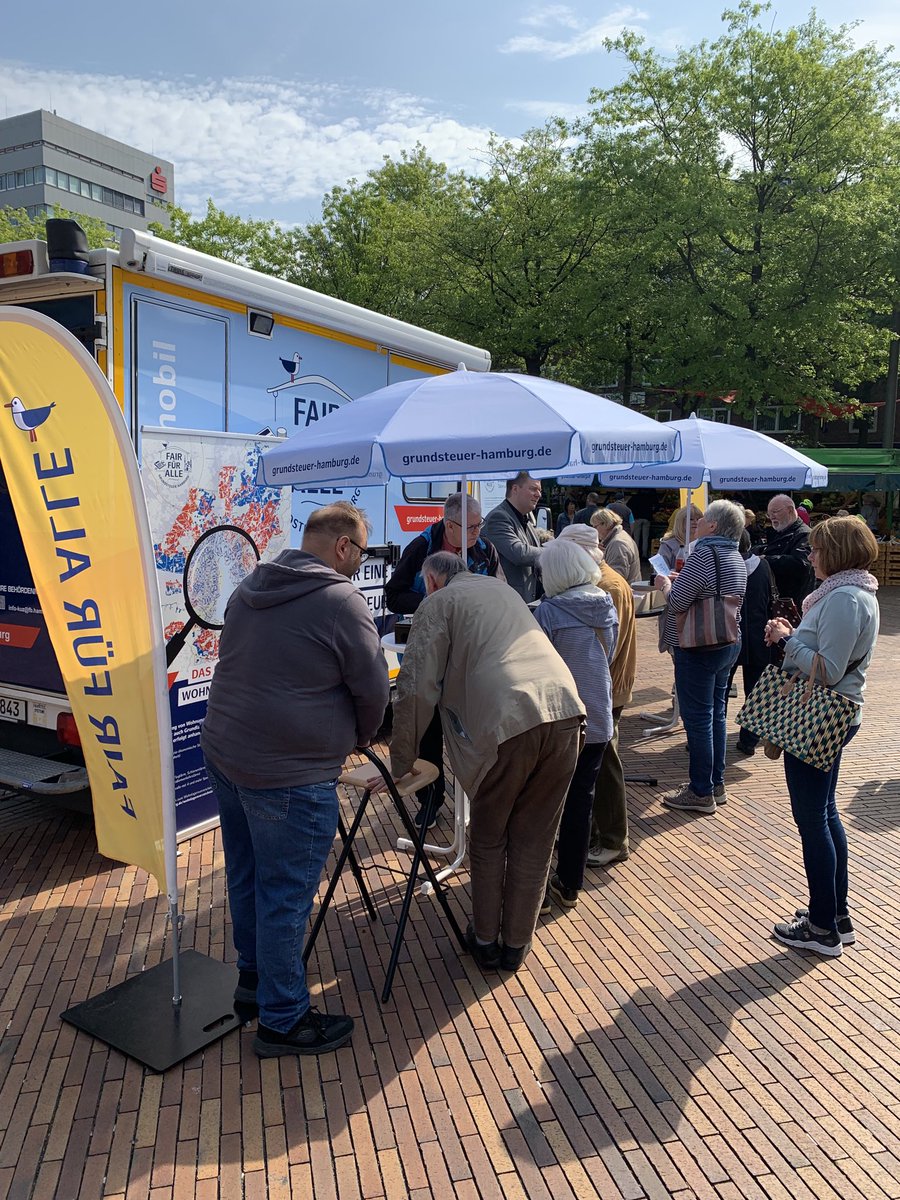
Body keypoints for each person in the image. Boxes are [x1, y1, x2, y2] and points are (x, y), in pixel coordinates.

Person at [201, 502, 389, 1057]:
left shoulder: (250, 586)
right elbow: (374, 689)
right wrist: (361, 736)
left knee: (248, 876)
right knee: (284, 896)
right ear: (342, 548)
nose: (359, 562)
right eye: (360, 551)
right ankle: (283, 1020)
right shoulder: (341, 598)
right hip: (288, 771)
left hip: (226, 751)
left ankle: (254, 983)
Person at [387, 552, 584, 972]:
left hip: (509, 721)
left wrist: (400, 762)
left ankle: (486, 940)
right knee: (534, 838)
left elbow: (416, 688)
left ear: (433, 581)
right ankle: (516, 944)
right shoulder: (501, 589)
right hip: (566, 709)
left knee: (489, 836)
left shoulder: (437, 603)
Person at [764, 517, 879, 957]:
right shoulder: (854, 593)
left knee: (813, 818)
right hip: (836, 713)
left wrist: (790, 639)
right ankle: (835, 916)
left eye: (816, 549)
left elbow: (828, 670)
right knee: (824, 813)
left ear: (835, 553)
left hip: (823, 714)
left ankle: (822, 926)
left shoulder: (845, 599)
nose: (809, 556)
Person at [385, 492, 502, 827]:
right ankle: (431, 799)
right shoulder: (421, 547)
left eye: (479, 525)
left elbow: (497, 589)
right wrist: (434, 598)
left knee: (474, 730)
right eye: (470, 527)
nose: (477, 532)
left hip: (470, 655)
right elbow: (394, 595)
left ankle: (478, 796)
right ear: (449, 526)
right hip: (430, 651)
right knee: (428, 730)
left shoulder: (485, 549)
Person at [534, 539, 617, 911]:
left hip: (562, 716)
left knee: (548, 801)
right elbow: (608, 654)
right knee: (582, 799)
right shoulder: (606, 603)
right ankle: (570, 883)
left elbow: (541, 665)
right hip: (598, 710)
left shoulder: (549, 611)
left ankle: (536, 884)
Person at [655, 499, 747, 814]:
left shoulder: (703, 553)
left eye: (704, 518)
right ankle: (715, 784)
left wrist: (665, 585)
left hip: (698, 645)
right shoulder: (735, 554)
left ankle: (700, 791)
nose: (698, 521)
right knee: (717, 715)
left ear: (714, 525)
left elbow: (679, 602)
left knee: (698, 719)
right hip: (728, 641)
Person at [558, 523, 637, 868]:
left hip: (608, 689)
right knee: (599, 763)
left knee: (605, 764)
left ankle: (613, 839)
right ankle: (597, 833)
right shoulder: (602, 582)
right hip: (606, 686)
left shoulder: (606, 586)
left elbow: (607, 648)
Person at [730, 530, 776, 756]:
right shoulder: (764, 566)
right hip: (759, 635)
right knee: (756, 691)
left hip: (727, 636)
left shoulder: (725, 564)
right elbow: (771, 598)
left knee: (718, 692)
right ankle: (749, 741)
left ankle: (710, 739)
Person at [481, 472, 544, 602]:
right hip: (507, 603)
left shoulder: (525, 519)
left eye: (540, 490)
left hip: (526, 603)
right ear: (515, 489)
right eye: (533, 489)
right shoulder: (498, 517)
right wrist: (556, 551)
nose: (539, 494)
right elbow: (520, 554)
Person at [758, 494, 814, 606]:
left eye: (775, 512)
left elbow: (801, 564)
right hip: (781, 602)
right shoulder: (781, 531)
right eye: (769, 514)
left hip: (793, 603)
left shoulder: (804, 534)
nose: (771, 517)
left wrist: (766, 560)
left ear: (789, 510)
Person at [590, 507, 641, 584]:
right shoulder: (620, 536)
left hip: (625, 591)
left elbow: (615, 579)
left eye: (595, 527)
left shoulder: (617, 544)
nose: (594, 531)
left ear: (605, 524)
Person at [659, 504, 703, 571]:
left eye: (698, 519)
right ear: (681, 521)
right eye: (691, 519)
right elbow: (661, 571)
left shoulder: (705, 543)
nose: (695, 522)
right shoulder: (668, 545)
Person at [629, 489, 657, 559]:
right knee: (645, 538)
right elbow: (655, 506)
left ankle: (636, 554)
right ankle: (644, 554)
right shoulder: (650, 497)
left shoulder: (635, 497)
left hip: (637, 518)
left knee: (636, 538)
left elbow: (629, 506)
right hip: (647, 519)